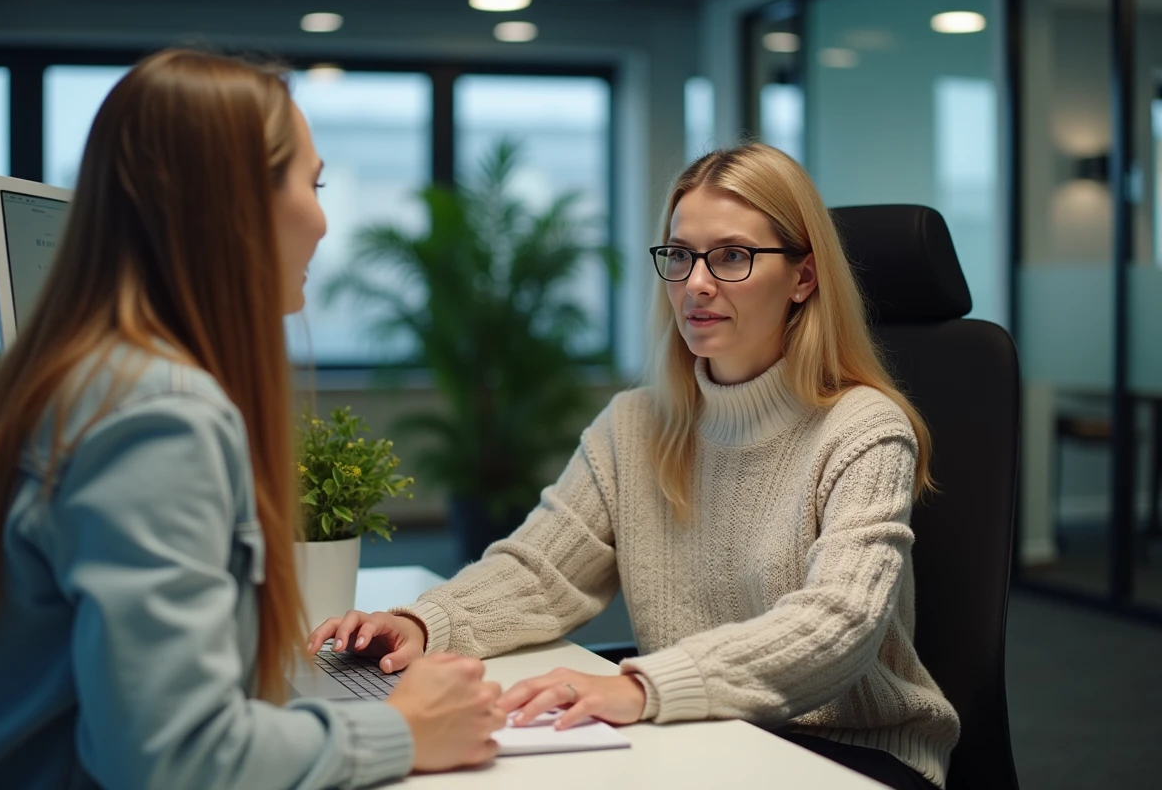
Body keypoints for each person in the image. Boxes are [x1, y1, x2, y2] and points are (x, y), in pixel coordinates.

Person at [311, 143, 961, 790]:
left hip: (850, 752)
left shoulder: (862, 428)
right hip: (696, 732)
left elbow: (836, 625)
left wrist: (642, 684)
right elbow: (539, 572)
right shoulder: (637, 423)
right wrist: (425, 622)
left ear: (803, 277)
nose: (696, 283)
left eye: (732, 256)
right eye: (680, 256)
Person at [0, 49, 504, 790]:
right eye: (311, 185)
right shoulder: (157, 415)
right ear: (235, 204)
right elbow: (172, 758)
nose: (320, 220)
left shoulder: (53, 382)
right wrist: (401, 730)